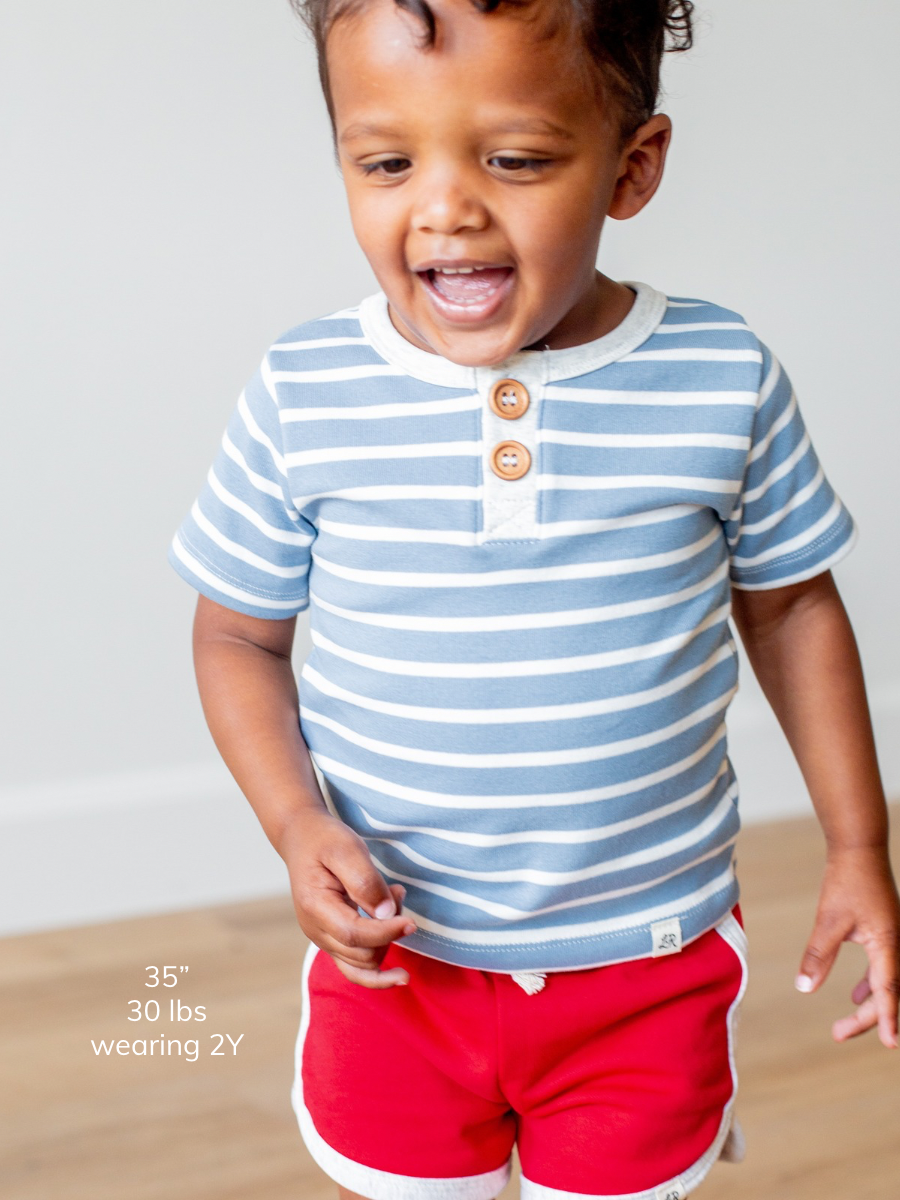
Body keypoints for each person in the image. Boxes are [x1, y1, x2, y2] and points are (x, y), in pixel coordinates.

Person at [167, 0, 900, 1196]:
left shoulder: (721, 375)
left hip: (648, 961)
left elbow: (792, 608)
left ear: (632, 167)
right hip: (398, 967)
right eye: (388, 163)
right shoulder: (307, 390)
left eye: (512, 159)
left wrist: (859, 845)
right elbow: (237, 639)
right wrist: (297, 827)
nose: (445, 207)